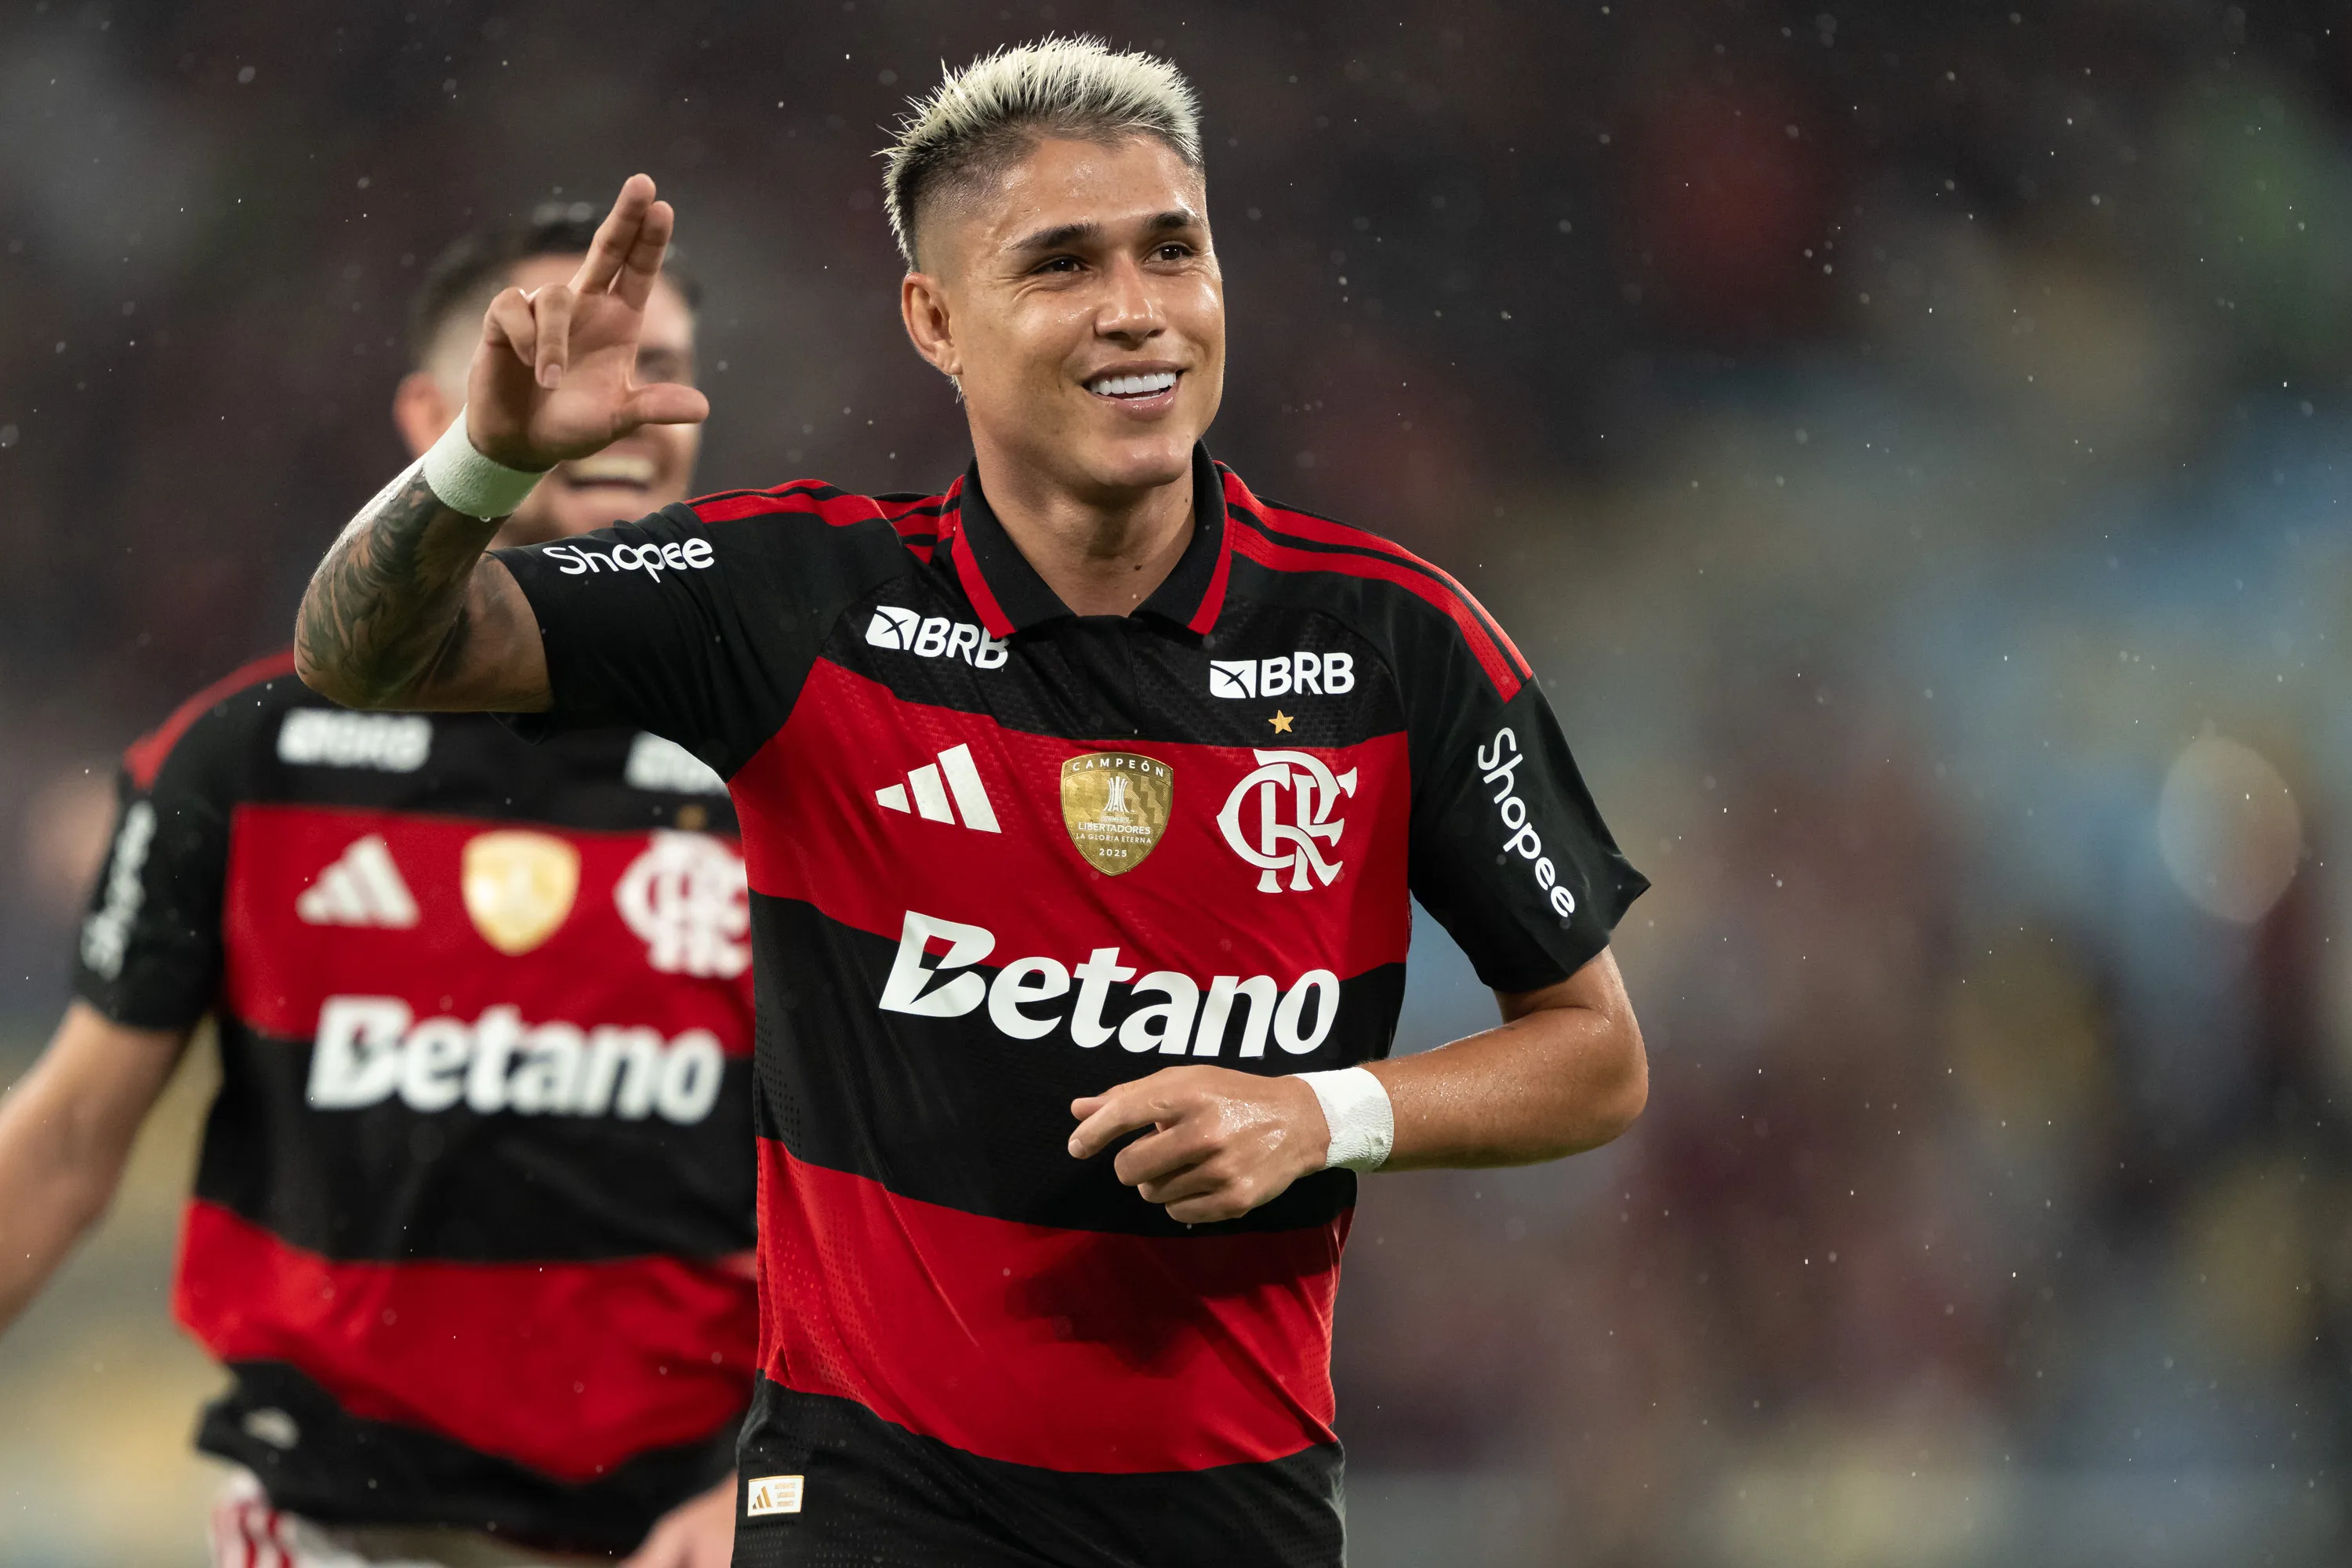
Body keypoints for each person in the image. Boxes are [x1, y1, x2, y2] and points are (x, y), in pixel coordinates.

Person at [291, 38, 1650, 1568]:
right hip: (872, 1498)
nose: (1137, 306)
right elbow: (361, 655)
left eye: (1173, 250)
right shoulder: (797, 601)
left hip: (1233, 1511)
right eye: (1061, 263)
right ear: (935, 320)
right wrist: (481, 465)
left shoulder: (1396, 643)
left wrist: (1323, 1110)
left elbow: (1596, 1056)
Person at [0, 210, 753, 1568]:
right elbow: (62, 1144)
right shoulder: (245, 760)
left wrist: (768, 1486)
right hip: (336, 1521)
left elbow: (887, 1196)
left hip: (692, 1527)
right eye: (555, 355)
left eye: (656, 366)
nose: (617, 409)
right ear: (433, 417)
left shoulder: (783, 762)